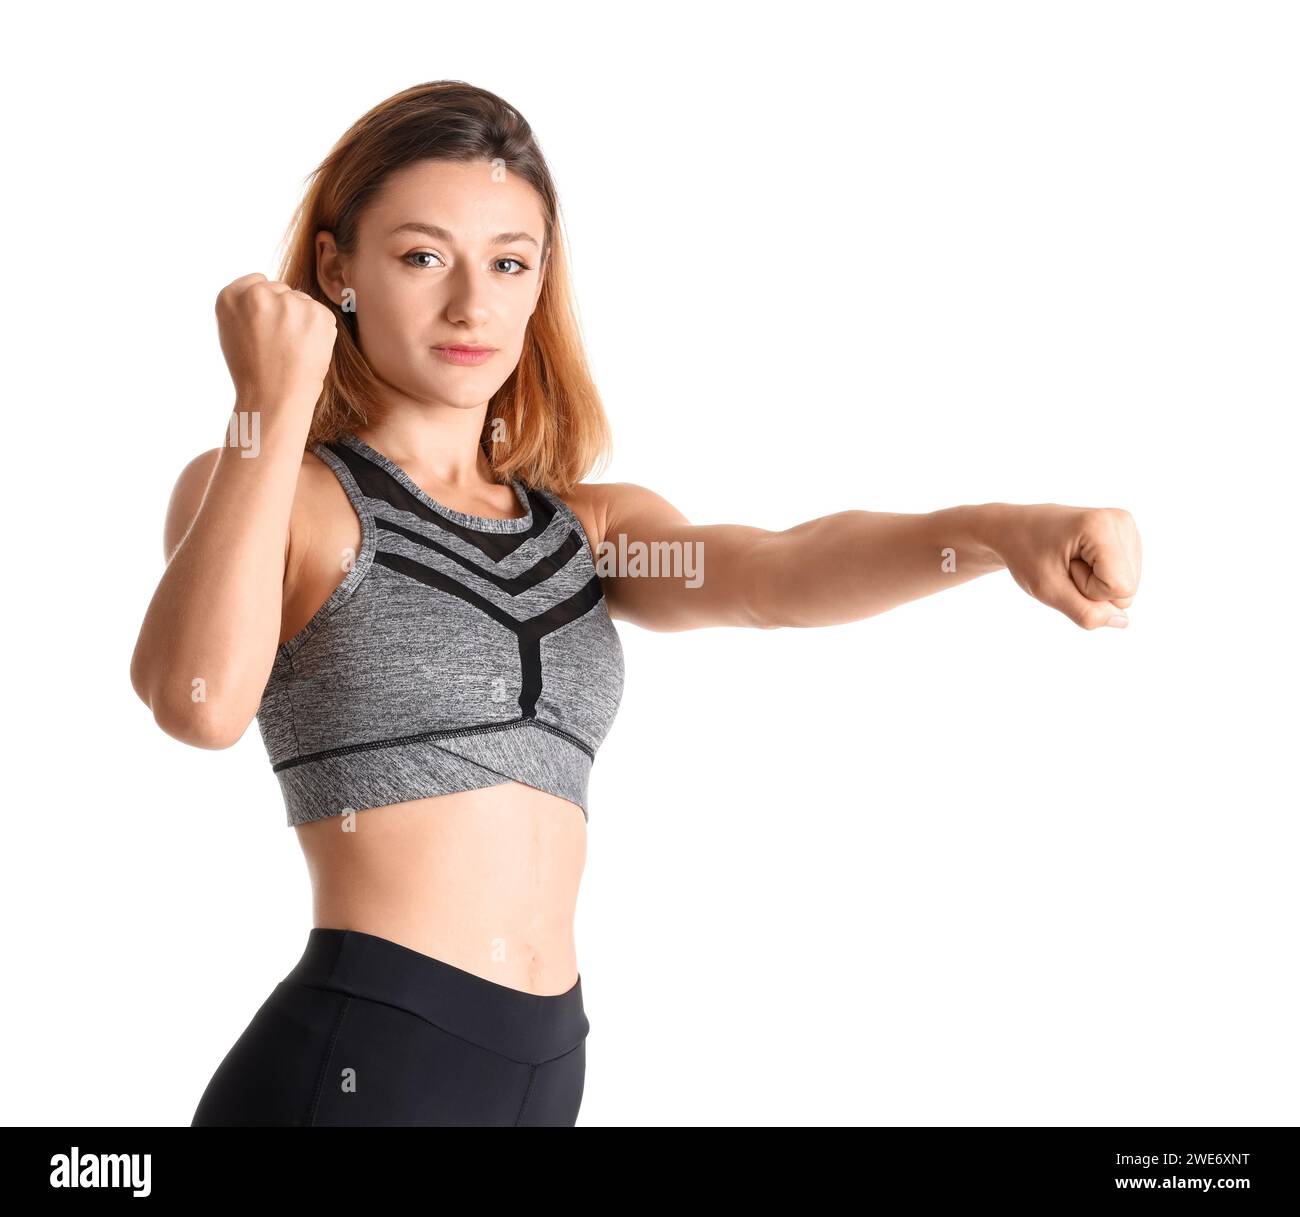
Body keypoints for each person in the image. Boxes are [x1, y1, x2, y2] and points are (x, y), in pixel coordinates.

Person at [129, 81, 1141, 1128]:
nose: (472, 305)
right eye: (423, 256)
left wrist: (995, 530)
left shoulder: (586, 530)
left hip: (544, 1065)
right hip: (365, 1059)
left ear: (539, 283)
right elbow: (197, 700)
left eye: (508, 262)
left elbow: (775, 576)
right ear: (338, 269)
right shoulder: (277, 491)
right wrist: (266, 406)